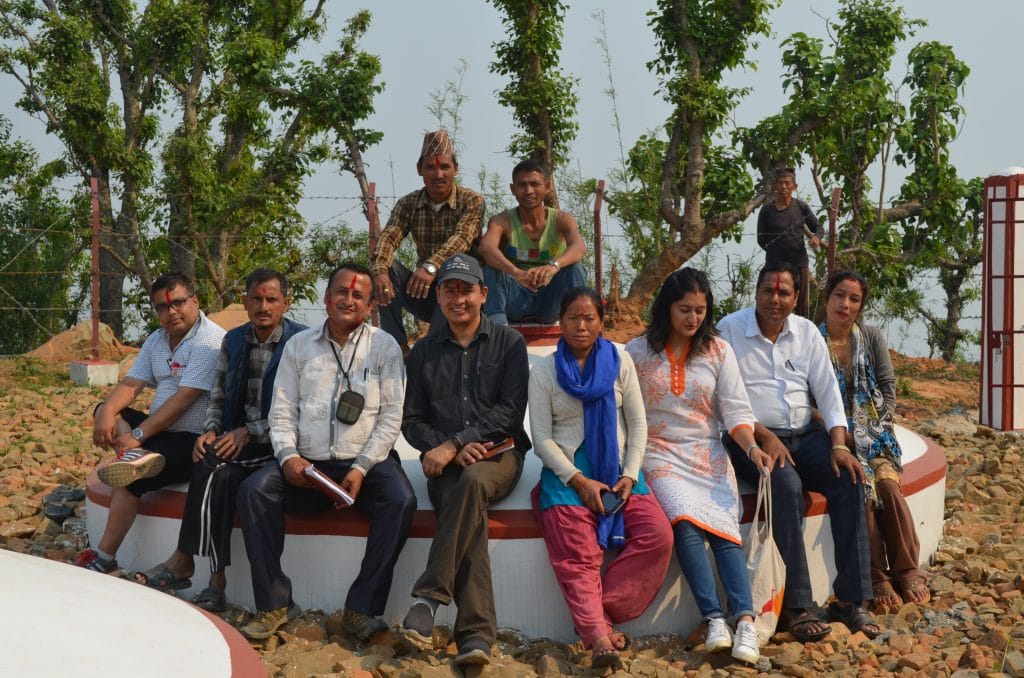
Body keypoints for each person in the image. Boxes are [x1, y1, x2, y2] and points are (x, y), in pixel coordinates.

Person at [236, 263, 415, 642]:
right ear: (325, 297)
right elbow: (281, 411)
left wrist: (363, 467)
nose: (347, 300)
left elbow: (390, 418)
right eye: (340, 292)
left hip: (363, 465)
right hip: (307, 465)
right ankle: (273, 605)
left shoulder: (384, 348)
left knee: (400, 499)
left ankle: (361, 610)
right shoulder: (298, 347)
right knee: (254, 491)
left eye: (357, 295)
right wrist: (288, 458)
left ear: (369, 306)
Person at [717, 263, 880, 641]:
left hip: (805, 434)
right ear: (756, 293)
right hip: (750, 437)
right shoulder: (729, 330)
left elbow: (827, 393)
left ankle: (851, 600)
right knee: (785, 485)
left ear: (796, 298)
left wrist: (839, 445)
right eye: (768, 292)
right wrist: (763, 436)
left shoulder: (806, 332)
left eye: (784, 293)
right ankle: (796, 606)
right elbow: (728, 399)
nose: (775, 300)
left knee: (851, 480)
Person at [130, 269, 306, 611]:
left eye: (272, 299)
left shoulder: (300, 343)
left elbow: (302, 408)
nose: (263, 306)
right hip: (238, 439)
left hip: (281, 442)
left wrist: (248, 431)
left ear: (286, 302)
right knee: (212, 462)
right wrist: (211, 428)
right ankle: (214, 578)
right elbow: (218, 395)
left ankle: (190, 564)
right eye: (256, 298)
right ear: (245, 302)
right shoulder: (235, 339)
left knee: (218, 469)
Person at [625, 269, 767, 664]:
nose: (692, 318)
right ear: (666, 307)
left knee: (724, 530)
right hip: (657, 452)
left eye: (700, 310)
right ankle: (715, 618)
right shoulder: (636, 352)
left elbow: (735, 408)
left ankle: (746, 621)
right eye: (684, 309)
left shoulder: (718, 351)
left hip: (707, 452)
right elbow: (619, 407)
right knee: (684, 522)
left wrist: (751, 447)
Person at [530, 287, 672, 668]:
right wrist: (578, 480)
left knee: (658, 536)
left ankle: (598, 614)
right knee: (578, 555)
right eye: (573, 317)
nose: (581, 325)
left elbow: (638, 424)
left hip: (620, 472)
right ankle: (597, 637)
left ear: (601, 322)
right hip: (570, 473)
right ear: (561, 321)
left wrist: (629, 475)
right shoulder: (544, 369)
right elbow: (541, 437)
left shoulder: (620, 360)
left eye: (589, 318)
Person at [399, 253, 530, 667]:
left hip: (500, 454)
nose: (459, 299)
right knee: (468, 513)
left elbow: (510, 410)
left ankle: (429, 596)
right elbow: (412, 420)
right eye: (450, 291)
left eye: (467, 290)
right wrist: (446, 448)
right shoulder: (423, 353)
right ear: (438, 297)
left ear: (483, 294)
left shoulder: (509, 343)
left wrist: (457, 442)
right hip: (444, 462)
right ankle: (475, 638)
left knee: (473, 483)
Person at [76, 273, 225, 575]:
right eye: (162, 307)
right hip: (159, 432)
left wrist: (139, 434)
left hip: (191, 438)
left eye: (179, 303)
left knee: (132, 480)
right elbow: (132, 383)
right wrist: (106, 412)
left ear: (195, 301)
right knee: (105, 410)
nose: (172, 312)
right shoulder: (157, 339)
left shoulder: (210, 340)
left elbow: (184, 399)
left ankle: (103, 558)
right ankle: (133, 452)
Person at [818, 270, 929, 613]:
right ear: (826, 299)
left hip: (875, 435)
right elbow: (806, 401)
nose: (845, 304)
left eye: (854, 299)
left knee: (888, 486)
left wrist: (871, 430)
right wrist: (840, 433)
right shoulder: (810, 340)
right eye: (839, 295)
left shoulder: (871, 338)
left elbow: (888, 387)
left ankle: (907, 568)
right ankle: (875, 576)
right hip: (832, 437)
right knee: (860, 488)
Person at [370, 129, 485, 349]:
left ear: (455, 169)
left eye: (444, 167)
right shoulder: (409, 203)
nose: (438, 174)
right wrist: (380, 272)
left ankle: (431, 350)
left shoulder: (472, 201)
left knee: (435, 345)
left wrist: (431, 267)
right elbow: (388, 237)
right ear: (420, 170)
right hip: (424, 291)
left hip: (459, 291)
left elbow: (461, 239)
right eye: (431, 167)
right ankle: (398, 347)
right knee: (385, 271)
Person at [479, 159, 587, 324]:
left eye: (535, 184)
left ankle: (580, 322)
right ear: (513, 189)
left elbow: (579, 247)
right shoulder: (502, 221)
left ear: (547, 186)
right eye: (522, 185)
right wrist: (516, 272)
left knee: (576, 268)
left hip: (551, 299)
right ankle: (497, 329)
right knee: (491, 269)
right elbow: (486, 248)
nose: (529, 191)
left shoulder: (562, 219)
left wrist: (553, 266)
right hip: (516, 298)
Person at [756, 168, 824, 317]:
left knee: (801, 304)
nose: (784, 187)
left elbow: (818, 228)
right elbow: (761, 239)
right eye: (780, 183)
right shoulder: (767, 210)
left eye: (787, 183)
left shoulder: (801, 207)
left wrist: (816, 238)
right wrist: (776, 252)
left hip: (799, 262)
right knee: (773, 300)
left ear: (794, 186)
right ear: (775, 186)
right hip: (775, 264)